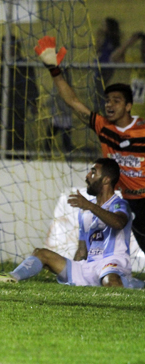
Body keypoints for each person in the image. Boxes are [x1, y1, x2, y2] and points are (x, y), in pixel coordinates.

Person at [35, 35, 145, 253]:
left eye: (116, 101)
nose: (110, 105)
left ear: (129, 106)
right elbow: (73, 102)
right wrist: (54, 70)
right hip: (129, 201)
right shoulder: (103, 127)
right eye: (107, 100)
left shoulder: (142, 130)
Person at [0, 158, 143, 289]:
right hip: (89, 266)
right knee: (41, 253)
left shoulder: (119, 204)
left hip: (112, 264)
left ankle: (138, 285)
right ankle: (11, 277)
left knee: (111, 282)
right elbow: (82, 250)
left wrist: (90, 206)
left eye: (93, 172)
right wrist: (74, 270)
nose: (87, 176)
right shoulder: (85, 210)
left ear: (106, 179)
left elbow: (118, 222)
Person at [92, 18, 140, 111]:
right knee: (98, 95)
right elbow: (97, 50)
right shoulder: (103, 40)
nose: (101, 28)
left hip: (107, 70)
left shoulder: (114, 43)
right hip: (100, 70)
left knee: (103, 94)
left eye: (104, 25)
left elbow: (117, 56)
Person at [45, 68, 75, 154]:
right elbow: (51, 99)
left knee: (65, 139)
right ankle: (47, 155)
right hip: (57, 116)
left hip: (65, 117)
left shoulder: (68, 88)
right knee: (50, 136)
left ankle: (68, 155)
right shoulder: (57, 87)